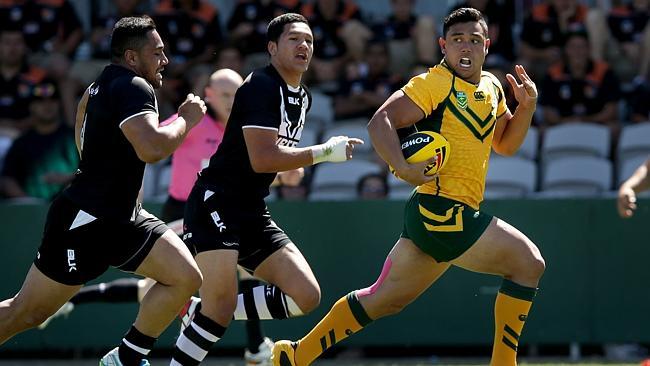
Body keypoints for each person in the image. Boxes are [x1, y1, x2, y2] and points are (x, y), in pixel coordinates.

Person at [272, 8, 545, 366]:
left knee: (383, 299)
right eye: (458, 40)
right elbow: (380, 121)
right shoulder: (434, 83)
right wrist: (401, 168)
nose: (466, 47)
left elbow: (506, 145)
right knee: (528, 263)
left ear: (487, 46)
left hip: (440, 214)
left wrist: (526, 108)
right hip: (442, 210)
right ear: (443, 45)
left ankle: (294, 356)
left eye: (475, 40)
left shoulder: (492, 86)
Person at [0, 16, 206, 366]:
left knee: (185, 277)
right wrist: (187, 118)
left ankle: (126, 357)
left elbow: (82, 136)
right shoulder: (134, 87)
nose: (164, 60)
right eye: (157, 52)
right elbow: (152, 149)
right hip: (85, 222)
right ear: (131, 57)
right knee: (26, 313)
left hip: (123, 218)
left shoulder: (96, 87)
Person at [170, 13, 363, 365]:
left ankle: (200, 309)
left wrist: (290, 171)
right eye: (294, 39)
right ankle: (206, 314)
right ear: (272, 48)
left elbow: (271, 160)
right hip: (218, 202)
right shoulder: (260, 84)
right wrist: (322, 153)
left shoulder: (301, 96)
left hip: (251, 208)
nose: (304, 45)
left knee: (306, 295)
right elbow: (262, 158)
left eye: (309, 40)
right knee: (218, 312)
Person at [0, 80, 79, 201]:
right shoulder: (21, 142)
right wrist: (27, 201)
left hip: (70, 206)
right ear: (31, 106)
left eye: (52, 100)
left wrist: (69, 178)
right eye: (40, 101)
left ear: (59, 104)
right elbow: (7, 179)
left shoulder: (74, 137)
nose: (47, 105)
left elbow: (94, 171)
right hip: (30, 212)